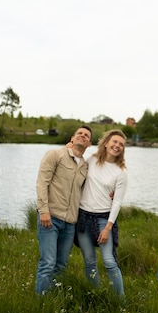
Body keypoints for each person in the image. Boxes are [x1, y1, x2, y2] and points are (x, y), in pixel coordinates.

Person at [35, 125, 93, 294]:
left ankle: (55, 300)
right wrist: (43, 210)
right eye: (79, 133)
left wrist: (111, 192)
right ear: (72, 139)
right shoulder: (55, 155)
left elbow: (94, 186)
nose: (82, 136)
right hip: (50, 218)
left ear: (89, 143)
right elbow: (41, 183)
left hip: (70, 224)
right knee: (48, 262)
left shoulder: (85, 166)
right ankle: (42, 304)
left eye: (86, 135)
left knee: (61, 265)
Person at [76, 129, 128, 297]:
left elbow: (118, 202)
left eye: (121, 144)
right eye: (114, 142)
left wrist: (107, 227)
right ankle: (94, 295)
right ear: (106, 143)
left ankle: (120, 302)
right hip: (83, 217)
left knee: (109, 261)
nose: (117, 146)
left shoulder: (121, 172)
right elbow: (73, 163)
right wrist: (70, 145)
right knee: (90, 261)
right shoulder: (91, 160)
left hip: (103, 219)